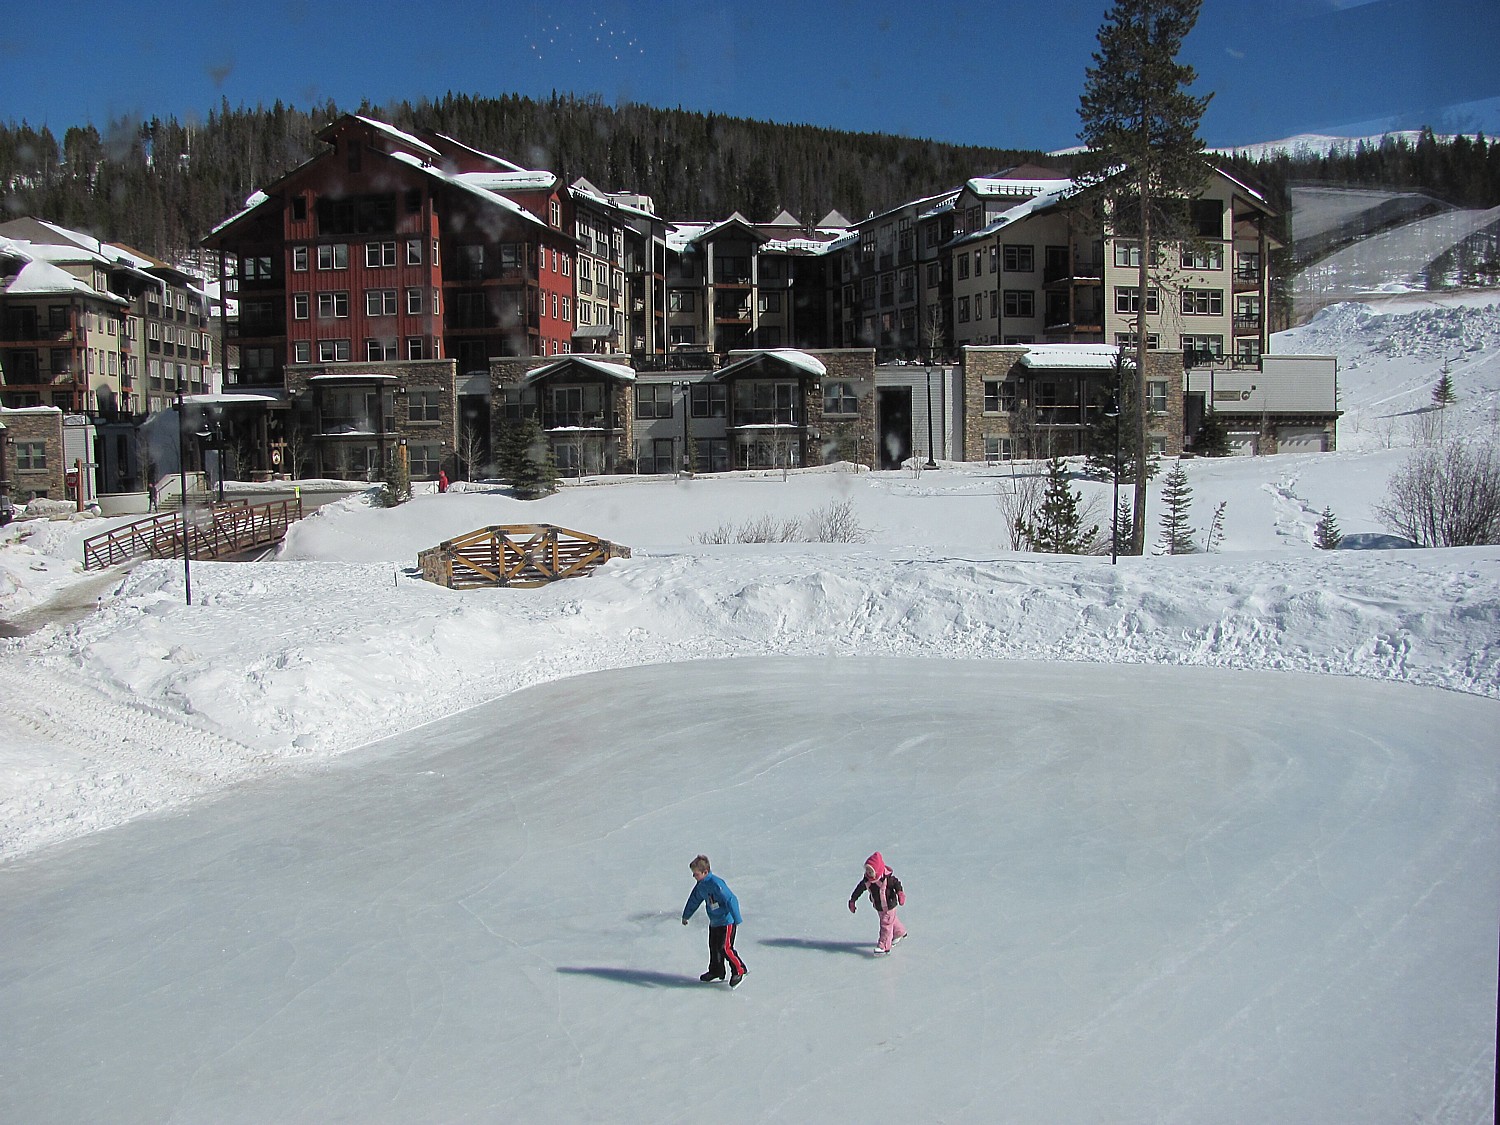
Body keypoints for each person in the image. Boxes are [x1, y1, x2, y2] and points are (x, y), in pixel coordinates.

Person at [682, 854, 748, 987]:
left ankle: (739, 969)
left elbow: (731, 899)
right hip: (714, 922)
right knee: (714, 947)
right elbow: (694, 900)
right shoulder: (701, 886)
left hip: (727, 922)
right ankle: (716, 970)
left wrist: (736, 918)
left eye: (696, 874)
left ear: (705, 872)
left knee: (725, 948)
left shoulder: (716, 884)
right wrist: (686, 915)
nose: (694, 877)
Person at [848, 851, 907, 955]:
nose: (868, 873)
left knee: (885, 925)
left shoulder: (888, 879)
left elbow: (897, 884)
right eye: (867, 870)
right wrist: (853, 900)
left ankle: (884, 946)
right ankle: (899, 932)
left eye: (870, 871)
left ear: (877, 870)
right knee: (890, 921)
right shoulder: (867, 881)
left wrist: (900, 893)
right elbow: (859, 889)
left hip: (889, 905)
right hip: (879, 906)